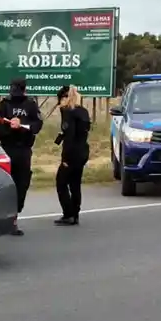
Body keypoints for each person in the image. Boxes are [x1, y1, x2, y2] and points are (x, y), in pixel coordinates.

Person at [0, 77, 43, 236]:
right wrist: (9, 128)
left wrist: (21, 125)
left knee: (22, 184)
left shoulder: (31, 104)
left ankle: (14, 216)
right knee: (5, 184)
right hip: (7, 149)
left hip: (24, 149)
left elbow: (38, 124)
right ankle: (3, 219)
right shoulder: (4, 104)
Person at [53, 85, 91, 226]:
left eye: (60, 100)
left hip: (72, 153)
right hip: (82, 151)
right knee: (75, 184)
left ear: (65, 98)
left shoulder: (68, 112)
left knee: (61, 182)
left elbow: (70, 137)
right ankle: (75, 214)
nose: (59, 104)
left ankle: (68, 213)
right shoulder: (83, 112)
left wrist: (65, 159)